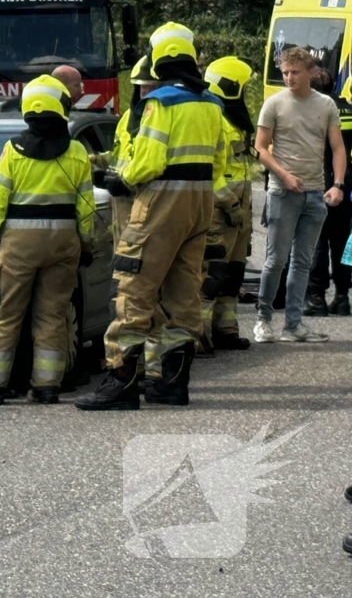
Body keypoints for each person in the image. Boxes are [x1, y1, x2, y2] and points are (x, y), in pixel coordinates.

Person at [75, 22, 222, 411]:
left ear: (158, 61)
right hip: (201, 200)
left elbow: (150, 160)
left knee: (133, 287)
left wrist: (120, 179)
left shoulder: (161, 103)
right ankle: (172, 385)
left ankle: (120, 383)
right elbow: (220, 159)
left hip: (161, 201)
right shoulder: (211, 102)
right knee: (182, 292)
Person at [0, 75, 95, 406]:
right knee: (52, 315)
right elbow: (85, 210)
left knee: (7, 313)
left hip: (18, 243)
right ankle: (47, 386)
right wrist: (87, 246)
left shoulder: (12, 152)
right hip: (63, 243)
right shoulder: (76, 152)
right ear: (62, 108)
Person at [253, 46, 345, 343]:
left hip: (316, 192)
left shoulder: (326, 105)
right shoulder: (274, 104)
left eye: (294, 72)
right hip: (282, 192)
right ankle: (263, 319)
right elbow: (261, 149)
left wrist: (338, 184)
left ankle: (293, 325)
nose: (289, 78)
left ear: (310, 72)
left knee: (302, 262)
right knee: (275, 260)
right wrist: (284, 175)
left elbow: (338, 147)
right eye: (285, 73)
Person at [91, 55, 166, 378]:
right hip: (123, 220)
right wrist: (97, 162)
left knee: (150, 297)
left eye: (152, 87)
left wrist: (124, 181)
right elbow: (122, 155)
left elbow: (152, 164)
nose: (145, 92)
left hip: (149, 216)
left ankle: (150, 369)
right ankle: (134, 367)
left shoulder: (161, 119)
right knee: (127, 298)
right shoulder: (127, 121)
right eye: (141, 87)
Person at [197, 56, 257, 352]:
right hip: (221, 210)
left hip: (240, 208)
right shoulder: (213, 119)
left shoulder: (233, 118)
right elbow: (210, 171)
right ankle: (199, 336)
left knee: (233, 275)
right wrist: (229, 204)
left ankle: (226, 330)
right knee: (211, 275)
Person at [304, 65, 352, 316]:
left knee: (317, 241)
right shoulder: (348, 108)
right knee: (343, 243)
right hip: (345, 184)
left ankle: (316, 298)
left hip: (318, 181)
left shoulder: (313, 111)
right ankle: (343, 297)